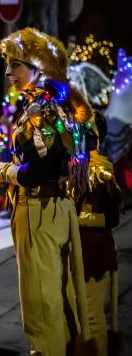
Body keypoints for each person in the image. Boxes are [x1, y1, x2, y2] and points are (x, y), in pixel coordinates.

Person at [0, 28, 91, 355]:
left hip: (39, 211)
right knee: (60, 300)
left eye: (15, 64)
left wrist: (0, 172)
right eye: (7, 64)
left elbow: (39, 173)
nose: (8, 73)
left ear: (38, 65)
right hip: (58, 210)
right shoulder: (60, 102)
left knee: (42, 306)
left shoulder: (40, 108)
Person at [76, 113, 123, 356]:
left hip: (93, 253)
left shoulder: (101, 169)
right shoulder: (71, 166)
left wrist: (76, 221)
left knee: (92, 318)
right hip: (72, 253)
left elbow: (112, 218)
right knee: (75, 319)